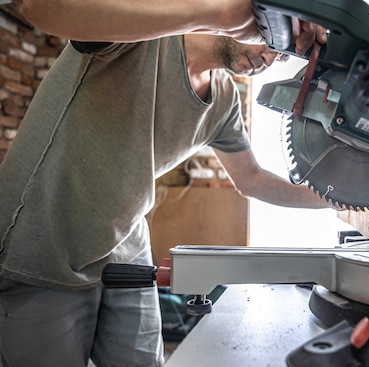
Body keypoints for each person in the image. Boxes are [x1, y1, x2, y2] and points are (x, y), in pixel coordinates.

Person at [0, 1, 329, 366]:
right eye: (271, 35)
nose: (270, 57)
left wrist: (338, 197)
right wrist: (220, 16)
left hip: (124, 243)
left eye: (281, 56)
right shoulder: (144, 34)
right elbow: (39, 8)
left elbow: (252, 180)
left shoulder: (223, 101)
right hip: (44, 242)